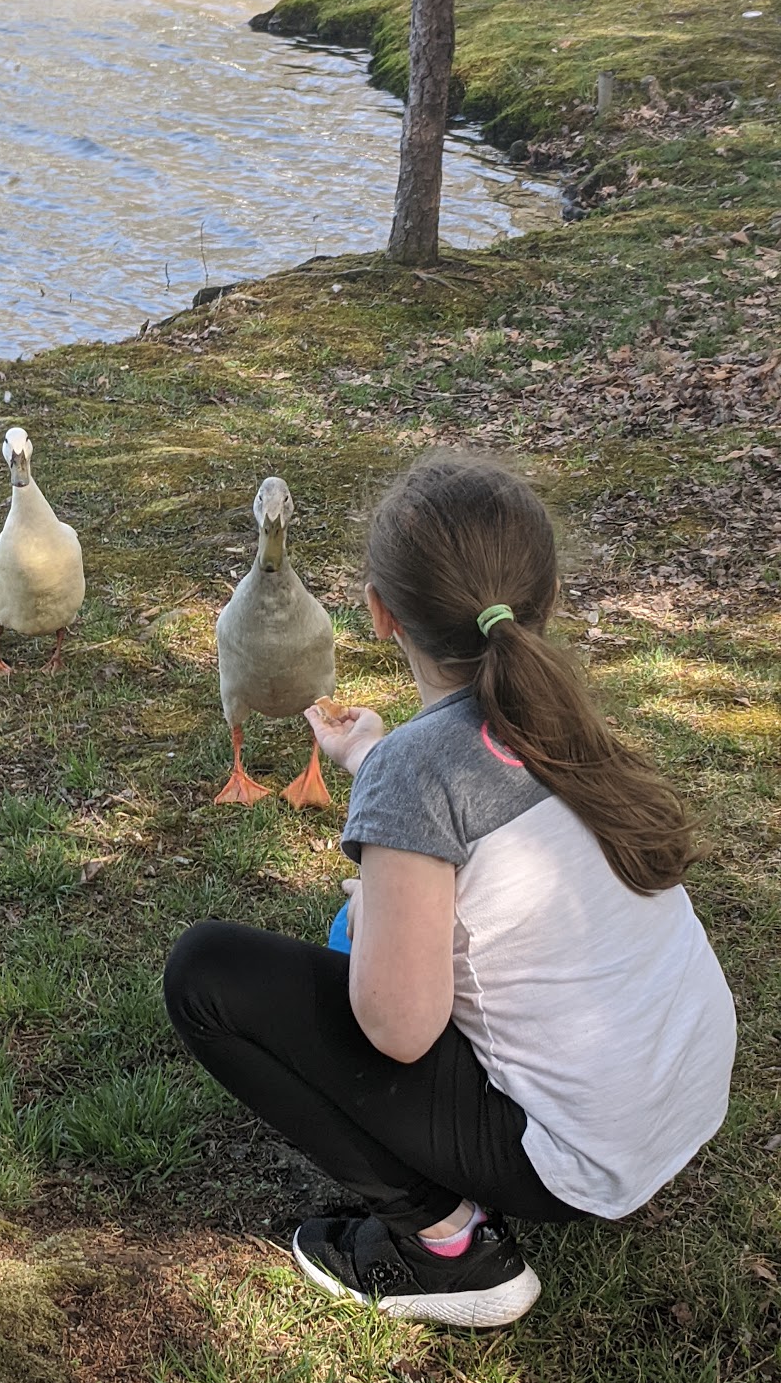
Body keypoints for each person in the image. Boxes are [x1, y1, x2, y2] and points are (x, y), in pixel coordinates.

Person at [163, 454, 736, 1327]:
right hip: (679, 1104)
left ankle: (445, 1247)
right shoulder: (560, 716)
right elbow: (468, 787)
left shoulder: (416, 772)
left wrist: (386, 780)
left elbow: (400, 1030)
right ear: (543, 598)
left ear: (379, 611)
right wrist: (376, 764)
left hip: (580, 1163)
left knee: (208, 971)